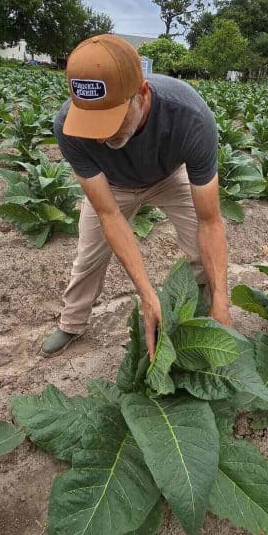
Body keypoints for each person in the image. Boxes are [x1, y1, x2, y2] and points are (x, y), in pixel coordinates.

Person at [42, 34, 232, 360]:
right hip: (112, 185)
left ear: (142, 94)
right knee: (88, 257)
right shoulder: (67, 127)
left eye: (112, 122)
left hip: (168, 177)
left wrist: (223, 301)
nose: (101, 137)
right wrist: (147, 294)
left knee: (200, 248)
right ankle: (72, 324)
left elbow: (210, 220)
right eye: (93, 124)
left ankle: (206, 310)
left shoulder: (190, 118)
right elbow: (109, 215)